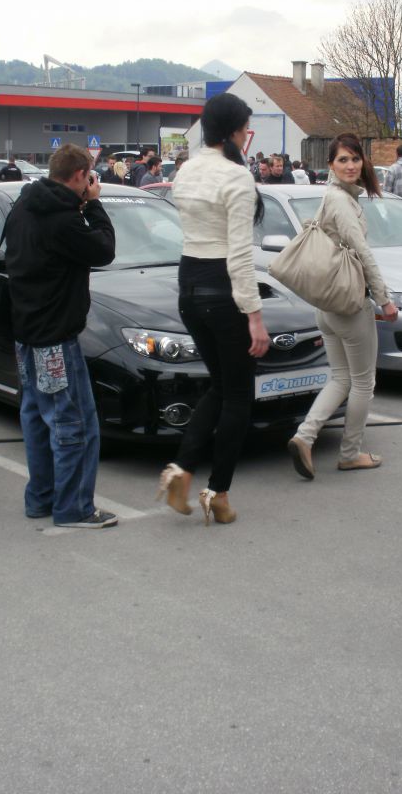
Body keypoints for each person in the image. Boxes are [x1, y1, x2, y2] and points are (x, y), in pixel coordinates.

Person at [158, 93, 270, 525]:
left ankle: (182, 469)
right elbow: (240, 255)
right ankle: (217, 492)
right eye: (246, 128)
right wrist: (255, 316)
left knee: (219, 387)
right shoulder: (236, 178)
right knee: (239, 394)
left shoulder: (185, 171)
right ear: (232, 131)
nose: (248, 135)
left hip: (189, 286)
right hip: (225, 291)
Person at [4, 143, 118, 528]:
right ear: (79, 177)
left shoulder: (23, 206)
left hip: (26, 334)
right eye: (89, 177)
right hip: (55, 339)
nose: (91, 184)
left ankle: (41, 498)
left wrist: (80, 206)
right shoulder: (63, 219)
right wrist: (96, 206)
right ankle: (74, 508)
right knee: (76, 425)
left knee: (37, 417)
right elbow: (103, 249)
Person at [286, 133, 398, 480]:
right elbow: (362, 252)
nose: (351, 166)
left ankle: (304, 437)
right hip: (348, 304)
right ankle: (350, 453)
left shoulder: (331, 197)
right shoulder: (341, 201)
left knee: (341, 378)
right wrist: (384, 298)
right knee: (364, 383)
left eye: (354, 159)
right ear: (331, 165)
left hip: (327, 305)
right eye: (342, 160)